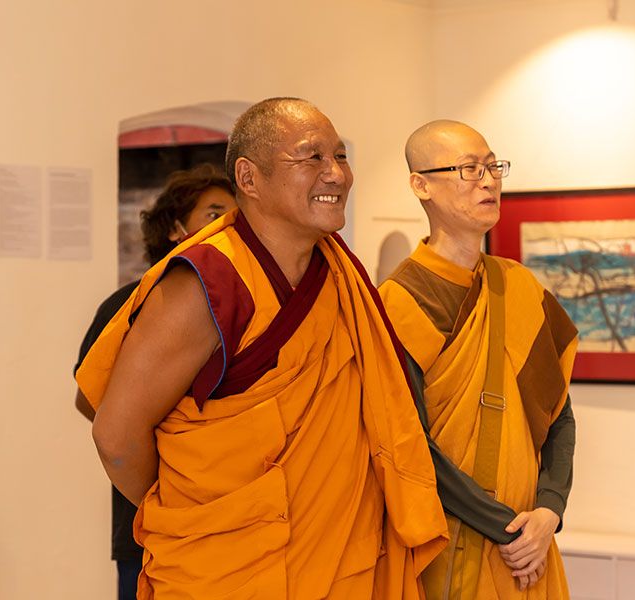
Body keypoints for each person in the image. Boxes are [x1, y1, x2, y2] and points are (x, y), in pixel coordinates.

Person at [75, 97, 450, 599]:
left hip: (337, 560)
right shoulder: (206, 283)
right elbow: (116, 436)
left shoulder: (340, 279)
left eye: (339, 156)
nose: (336, 174)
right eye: (311, 157)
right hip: (222, 567)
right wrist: (195, 514)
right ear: (249, 179)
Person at [378, 120, 579, 599]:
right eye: (469, 169)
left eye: (493, 167)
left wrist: (549, 511)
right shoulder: (400, 301)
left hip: (531, 546)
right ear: (421, 185)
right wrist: (506, 527)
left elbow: (559, 416)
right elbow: (409, 447)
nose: (488, 181)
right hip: (452, 544)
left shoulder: (521, 287)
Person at [73, 163, 236, 600]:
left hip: (221, 514)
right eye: (214, 213)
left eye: (234, 214)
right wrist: (157, 457)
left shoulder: (238, 301)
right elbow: (90, 402)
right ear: (174, 229)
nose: (228, 225)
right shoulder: (126, 304)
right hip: (148, 519)